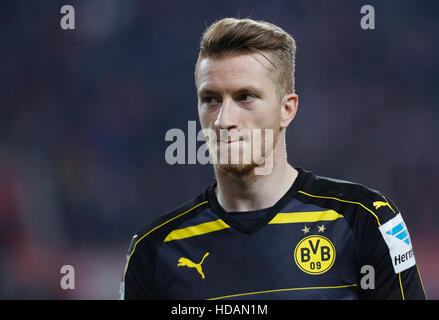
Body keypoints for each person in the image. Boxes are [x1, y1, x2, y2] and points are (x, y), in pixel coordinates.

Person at [120, 17, 426, 300]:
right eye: (211, 99)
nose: (224, 120)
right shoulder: (154, 249)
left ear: (287, 109)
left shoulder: (364, 220)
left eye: (245, 97)